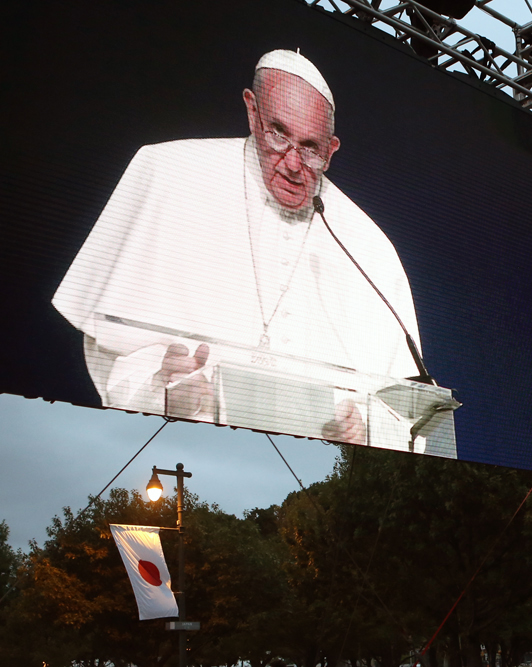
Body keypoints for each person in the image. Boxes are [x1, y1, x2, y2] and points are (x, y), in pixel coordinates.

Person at [51, 50, 453, 453]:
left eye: (311, 149)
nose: (294, 164)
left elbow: (409, 415)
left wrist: (363, 428)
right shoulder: (170, 172)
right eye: (278, 134)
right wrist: (161, 389)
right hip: (186, 450)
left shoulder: (368, 246)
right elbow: (110, 352)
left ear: (332, 150)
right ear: (251, 110)